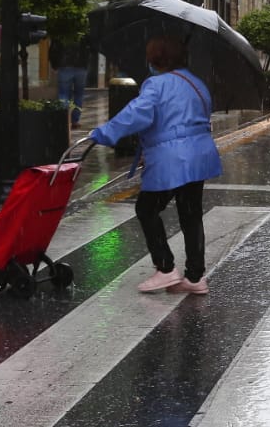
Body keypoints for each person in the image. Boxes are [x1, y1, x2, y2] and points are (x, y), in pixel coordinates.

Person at [88, 36, 222, 295]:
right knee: (191, 214)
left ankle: (165, 268)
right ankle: (195, 277)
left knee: (147, 208)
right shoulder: (197, 83)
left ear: (157, 60)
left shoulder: (157, 84)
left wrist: (104, 133)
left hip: (173, 157)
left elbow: (137, 114)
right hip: (199, 154)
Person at [50, 34, 94, 126]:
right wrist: (86, 63)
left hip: (64, 66)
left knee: (63, 94)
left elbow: (54, 48)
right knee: (79, 95)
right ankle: (74, 120)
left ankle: (64, 119)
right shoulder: (84, 31)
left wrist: (54, 65)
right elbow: (90, 47)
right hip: (81, 67)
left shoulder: (62, 30)